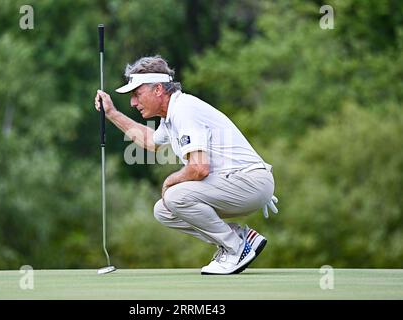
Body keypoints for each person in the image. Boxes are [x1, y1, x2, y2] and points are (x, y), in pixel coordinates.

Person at [94, 55, 278, 275]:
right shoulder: (172, 114)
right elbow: (150, 142)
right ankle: (238, 238)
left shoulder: (184, 110)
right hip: (243, 182)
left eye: (137, 94)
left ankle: (236, 247)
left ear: (158, 89)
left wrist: (170, 180)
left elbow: (199, 168)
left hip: (249, 181)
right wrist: (112, 114)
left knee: (174, 195)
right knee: (164, 210)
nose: (133, 102)